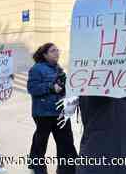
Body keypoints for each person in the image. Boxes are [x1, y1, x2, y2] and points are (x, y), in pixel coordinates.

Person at [27, 43, 77, 174]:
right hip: (44, 113)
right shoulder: (37, 69)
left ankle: (67, 169)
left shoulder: (58, 68)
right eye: (53, 51)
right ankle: (38, 168)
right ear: (45, 55)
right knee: (41, 143)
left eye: (57, 50)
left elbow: (63, 86)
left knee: (66, 142)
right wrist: (50, 87)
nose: (57, 53)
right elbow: (32, 89)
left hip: (61, 111)